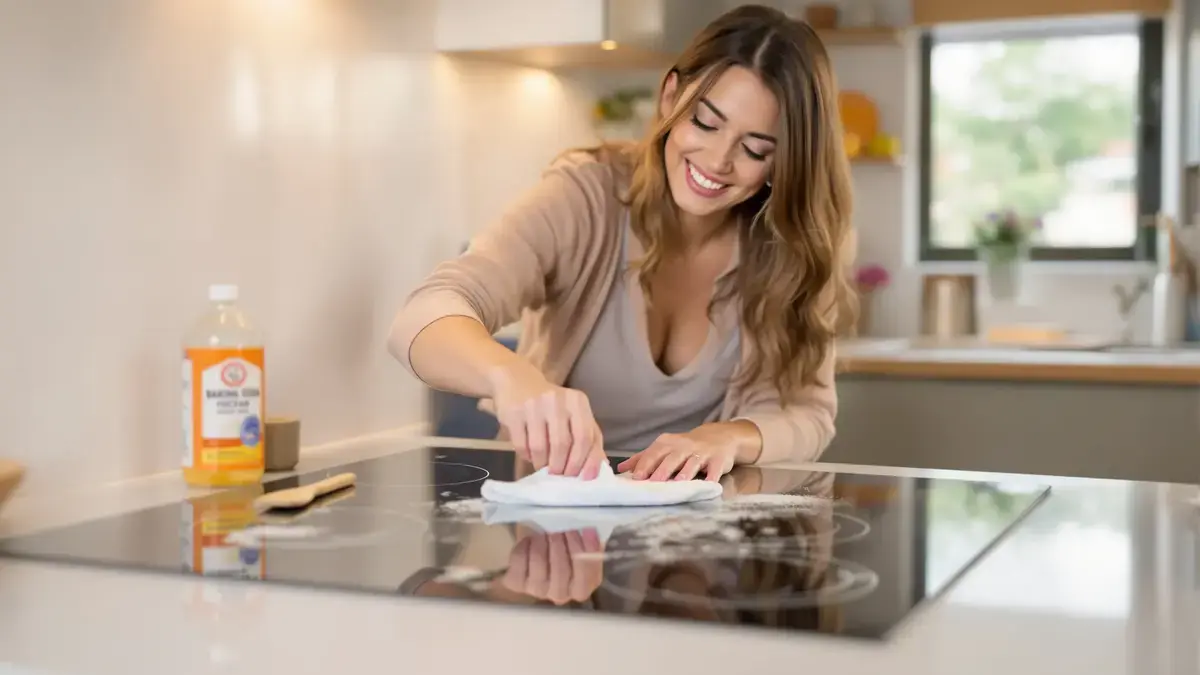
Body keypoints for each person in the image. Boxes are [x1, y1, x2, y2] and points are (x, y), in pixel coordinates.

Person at [387, 4, 857, 482]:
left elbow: (810, 415)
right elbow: (423, 315)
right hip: (553, 525)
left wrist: (731, 435)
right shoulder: (586, 197)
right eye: (706, 123)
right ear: (670, 95)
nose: (718, 160)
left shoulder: (789, 245)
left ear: (785, 162)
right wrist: (512, 377)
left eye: (755, 149)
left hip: (697, 538)